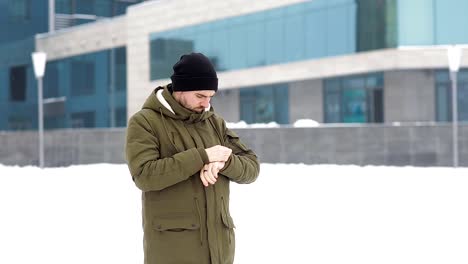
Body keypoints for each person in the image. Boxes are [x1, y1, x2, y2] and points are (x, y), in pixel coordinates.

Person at [125, 52, 260, 264]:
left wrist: (223, 161)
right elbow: (144, 175)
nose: (206, 103)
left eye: (210, 97)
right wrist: (202, 156)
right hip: (174, 251)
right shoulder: (145, 122)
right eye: (200, 96)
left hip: (220, 252)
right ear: (180, 89)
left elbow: (252, 168)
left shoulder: (214, 122)